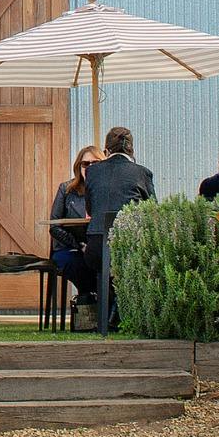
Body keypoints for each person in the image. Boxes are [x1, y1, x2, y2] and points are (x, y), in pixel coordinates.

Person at [81, 126, 156, 321]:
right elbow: (152, 211)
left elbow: (90, 208)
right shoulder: (142, 173)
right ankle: (126, 316)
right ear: (132, 151)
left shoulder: (93, 172)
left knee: (99, 266)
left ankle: (106, 318)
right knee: (141, 259)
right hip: (129, 247)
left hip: (97, 249)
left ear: (106, 150)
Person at [48, 146, 103, 300]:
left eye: (95, 163)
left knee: (103, 265)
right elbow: (54, 226)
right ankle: (88, 302)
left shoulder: (107, 192)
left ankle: (99, 306)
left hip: (97, 250)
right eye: (86, 164)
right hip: (69, 249)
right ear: (79, 166)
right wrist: (79, 245)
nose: (90, 167)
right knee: (79, 264)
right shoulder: (66, 189)